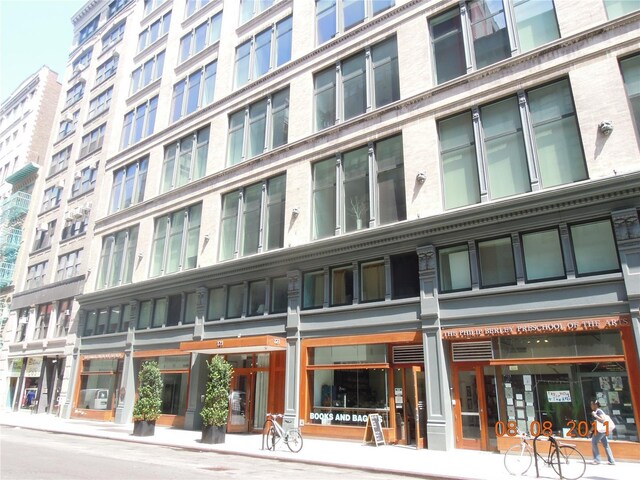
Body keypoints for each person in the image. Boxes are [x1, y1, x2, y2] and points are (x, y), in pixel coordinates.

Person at [590, 400, 616, 465]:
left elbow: (602, 420)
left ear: (595, 405)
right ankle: (611, 460)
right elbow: (596, 423)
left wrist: (595, 415)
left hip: (601, 430)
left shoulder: (598, 411)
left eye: (592, 404)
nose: (591, 406)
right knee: (606, 445)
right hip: (604, 430)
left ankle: (597, 460)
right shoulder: (598, 411)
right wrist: (591, 430)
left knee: (594, 442)